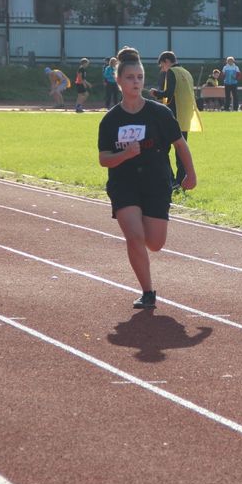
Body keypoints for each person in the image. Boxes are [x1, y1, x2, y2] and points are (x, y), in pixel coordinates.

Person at [98, 46, 197, 310]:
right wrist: (125, 154)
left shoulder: (160, 113)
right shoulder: (110, 120)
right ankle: (147, 292)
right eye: (130, 77)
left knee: (154, 243)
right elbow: (104, 158)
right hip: (124, 183)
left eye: (140, 77)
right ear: (119, 80)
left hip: (155, 182)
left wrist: (191, 173)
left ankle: (145, 223)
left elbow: (180, 144)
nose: (136, 82)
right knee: (133, 236)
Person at [150, 50, 203, 187]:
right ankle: (181, 181)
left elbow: (169, 93)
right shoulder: (186, 72)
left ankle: (170, 180)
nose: (162, 69)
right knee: (182, 151)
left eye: (162, 65)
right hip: (185, 116)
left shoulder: (171, 72)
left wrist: (156, 93)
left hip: (173, 115)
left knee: (162, 149)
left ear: (167, 61)